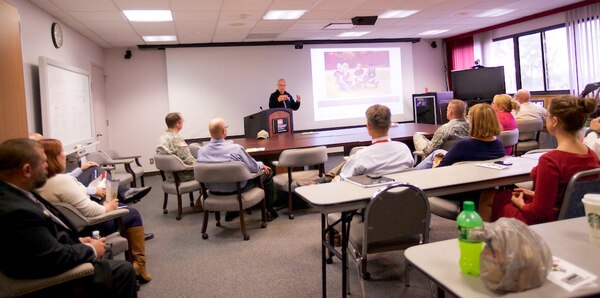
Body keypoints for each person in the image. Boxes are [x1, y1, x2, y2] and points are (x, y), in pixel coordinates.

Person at [0, 138, 137, 297]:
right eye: (43, 162)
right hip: (50, 280)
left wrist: (77, 242)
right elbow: (51, 258)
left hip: (51, 255)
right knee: (124, 271)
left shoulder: (17, 193)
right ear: (27, 170)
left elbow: (38, 242)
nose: (47, 166)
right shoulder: (16, 211)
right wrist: (90, 249)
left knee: (105, 253)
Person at [37, 139, 153, 283]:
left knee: (96, 171)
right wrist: (108, 207)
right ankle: (139, 266)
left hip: (74, 222)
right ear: (53, 157)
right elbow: (91, 211)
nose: (64, 155)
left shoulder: (43, 181)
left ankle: (124, 196)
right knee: (132, 214)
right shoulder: (61, 181)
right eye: (61, 152)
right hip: (87, 226)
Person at [493, 96, 600, 225]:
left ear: (554, 121)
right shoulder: (592, 155)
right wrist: (536, 195)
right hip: (574, 218)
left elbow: (539, 213)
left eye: (547, 115)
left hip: (549, 222)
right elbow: (570, 196)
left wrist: (520, 204)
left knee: (493, 200)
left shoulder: (550, 161)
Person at [29, 132, 152, 205]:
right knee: (105, 187)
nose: (43, 144)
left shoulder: (50, 174)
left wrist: (81, 169)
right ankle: (120, 197)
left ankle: (121, 194)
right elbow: (71, 187)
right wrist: (93, 191)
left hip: (76, 187)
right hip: (87, 203)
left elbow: (66, 179)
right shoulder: (42, 173)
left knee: (94, 169)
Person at [196, 118, 278, 221]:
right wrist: (261, 165)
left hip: (212, 190)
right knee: (268, 172)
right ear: (223, 131)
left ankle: (232, 212)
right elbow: (253, 167)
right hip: (236, 189)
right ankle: (270, 211)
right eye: (226, 127)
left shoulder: (201, 152)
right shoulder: (235, 149)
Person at [322, 104, 414, 180]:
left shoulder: (361, 156)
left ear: (368, 126)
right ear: (390, 124)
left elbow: (344, 181)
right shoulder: (404, 149)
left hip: (370, 199)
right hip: (403, 198)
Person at [415, 103, 505, 169]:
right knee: (439, 152)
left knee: (434, 155)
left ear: (474, 123)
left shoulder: (464, 146)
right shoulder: (499, 144)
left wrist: (435, 164)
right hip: (483, 186)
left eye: (470, 118)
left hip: (456, 189)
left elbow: (439, 169)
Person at [156, 112, 202, 210]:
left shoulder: (162, 138)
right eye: (182, 121)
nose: (183, 123)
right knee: (208, 172)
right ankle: (201, 203)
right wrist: (202, 163)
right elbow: (188, 160)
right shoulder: (177, 139)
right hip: (182, 175)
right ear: (178, 123)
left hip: (170, 175)